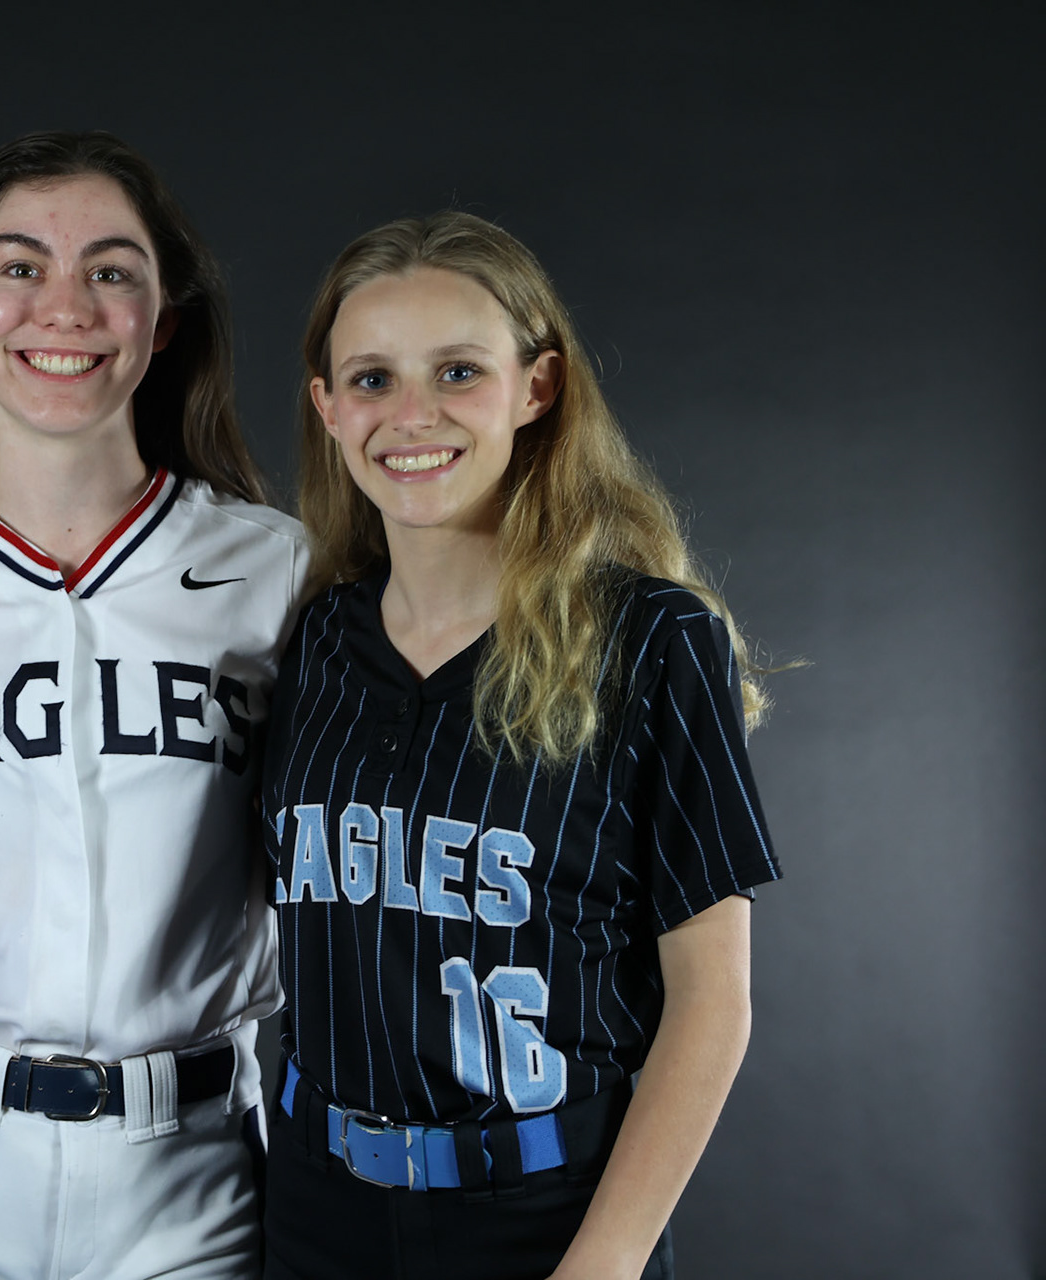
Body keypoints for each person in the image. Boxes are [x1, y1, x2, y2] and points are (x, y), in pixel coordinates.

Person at [259, 212, 780, 1280]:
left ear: (537, 388)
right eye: (371, 379)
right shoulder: (309, 641)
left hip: (547, 1215)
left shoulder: (653, 639)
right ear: (327, 407)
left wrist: (605, 1261)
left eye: (458, 371)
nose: (412, 415)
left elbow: (711, 1000)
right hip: (317, 1210)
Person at [0, 131, 307, 1279]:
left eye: (110, 269)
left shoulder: (277, 568)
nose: (66, 305)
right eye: (19, 266)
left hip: (192, 1163)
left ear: (163, 317)